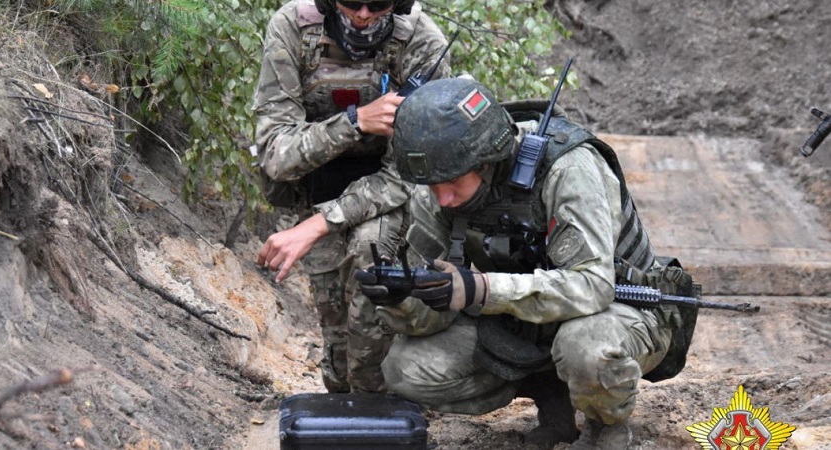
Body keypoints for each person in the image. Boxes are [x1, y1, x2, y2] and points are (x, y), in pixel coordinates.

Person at [357, 77, 695, 448]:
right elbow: (431, 317)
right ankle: (552, 395)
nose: (444, 199)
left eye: (452, 182)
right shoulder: (437, 186)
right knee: (406, 369)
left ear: (486, 161)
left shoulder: (568, 168)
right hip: (522, 320)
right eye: (433, 185)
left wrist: (481, 288)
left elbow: (594, 286)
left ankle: (604, 425)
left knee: (586, 349)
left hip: (622, 307)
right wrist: (403, 297)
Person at [252, 0, 451, 394]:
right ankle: (347, 400)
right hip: (318, 185)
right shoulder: (294, 28)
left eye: (377, 4)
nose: (362, 14)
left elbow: (407, 174)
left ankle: (376, 404)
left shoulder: (422, 43)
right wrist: (357, 121)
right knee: (337, 339)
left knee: (370, 257)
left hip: (391, 193)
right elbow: (276, 155)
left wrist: (320, 224)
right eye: (351, 2)